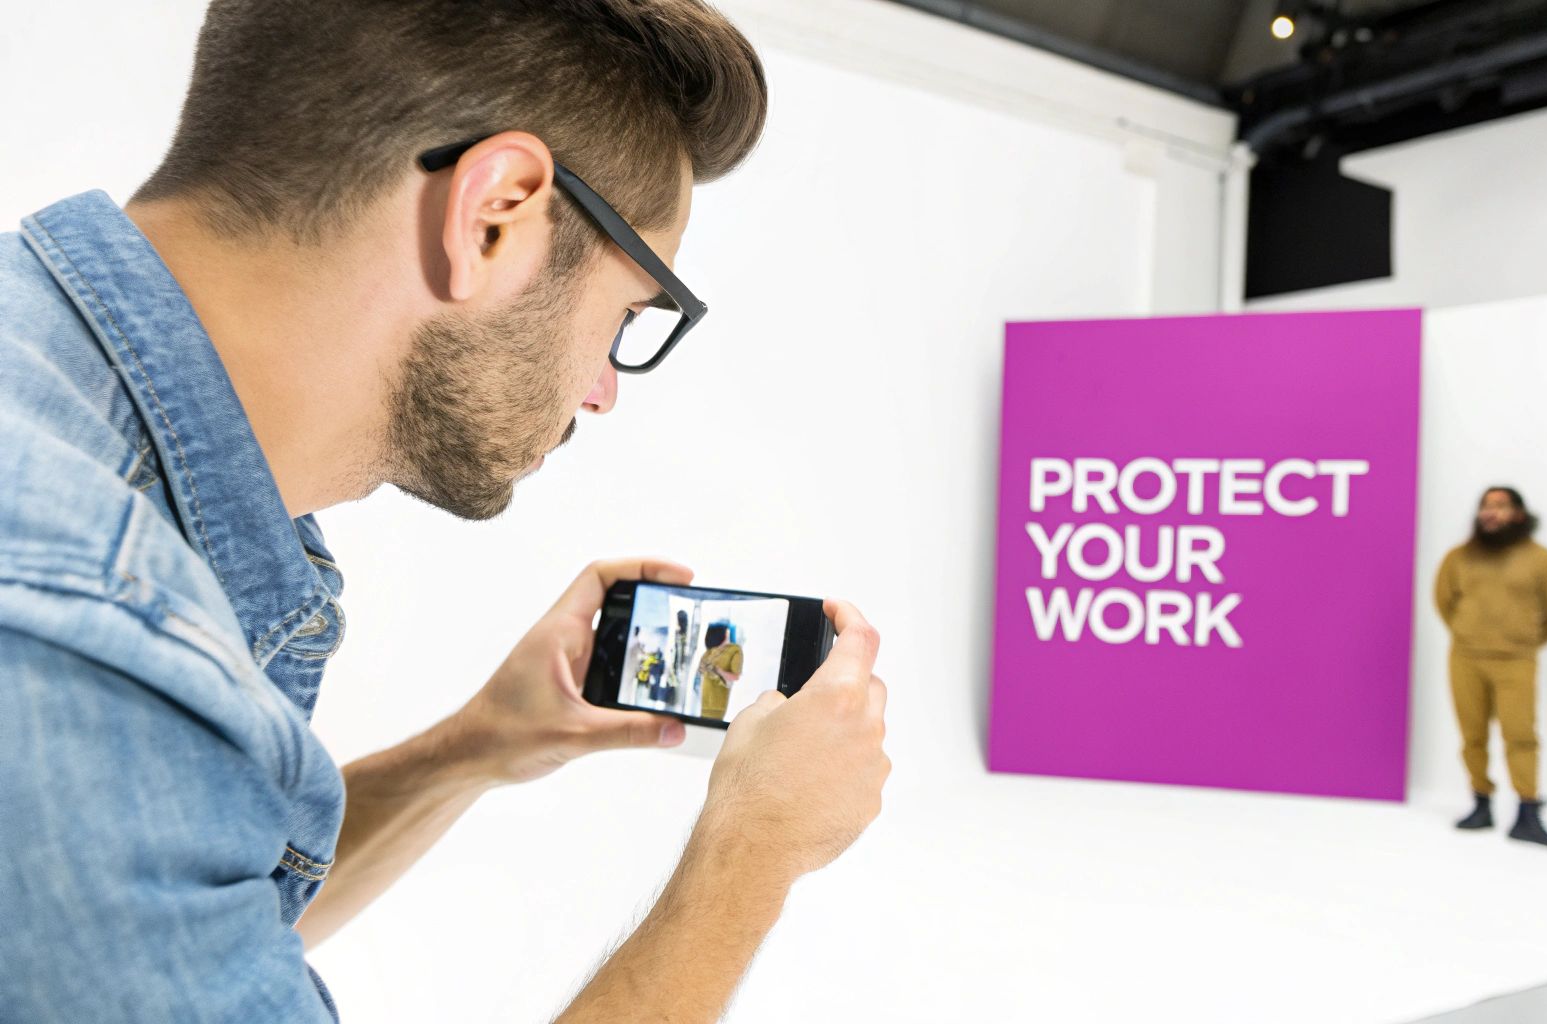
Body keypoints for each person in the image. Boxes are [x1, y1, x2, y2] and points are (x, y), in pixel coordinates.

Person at [0, 3, 891, 1022]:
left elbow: (167, 953)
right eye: (625, 320)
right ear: (493, 215)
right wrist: (750, 855)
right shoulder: (76, 647)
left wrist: (471, 746)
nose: (602, 390)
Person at [1434, 486, 1547, 849]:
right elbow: (1444, 602)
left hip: (1516, 662)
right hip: (1466, 658)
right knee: (1472, 735)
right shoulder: (1459, 558)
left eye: (1499, 506)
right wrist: (1469, 635)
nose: (1490, 513)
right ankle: (1481, 802)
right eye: (1485, 506)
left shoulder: (1543, 561)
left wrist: (1523, 643)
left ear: (1519, 514)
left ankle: (1528, 811)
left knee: (1521, 736)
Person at [698, 622, 745, 721]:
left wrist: (719, 671)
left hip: (718, 704)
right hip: (705, 700)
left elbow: (735, 676)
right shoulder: (710, 651)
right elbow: (701, 670)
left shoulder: (735, 650)